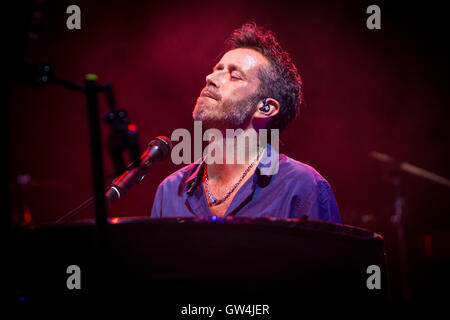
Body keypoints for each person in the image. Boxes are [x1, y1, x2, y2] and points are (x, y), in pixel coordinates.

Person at [151, 22, 340, 223]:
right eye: (216, 70)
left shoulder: (302, 187)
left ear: (265, 108)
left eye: (234, 75)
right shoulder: (170, 190)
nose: (210, 78)